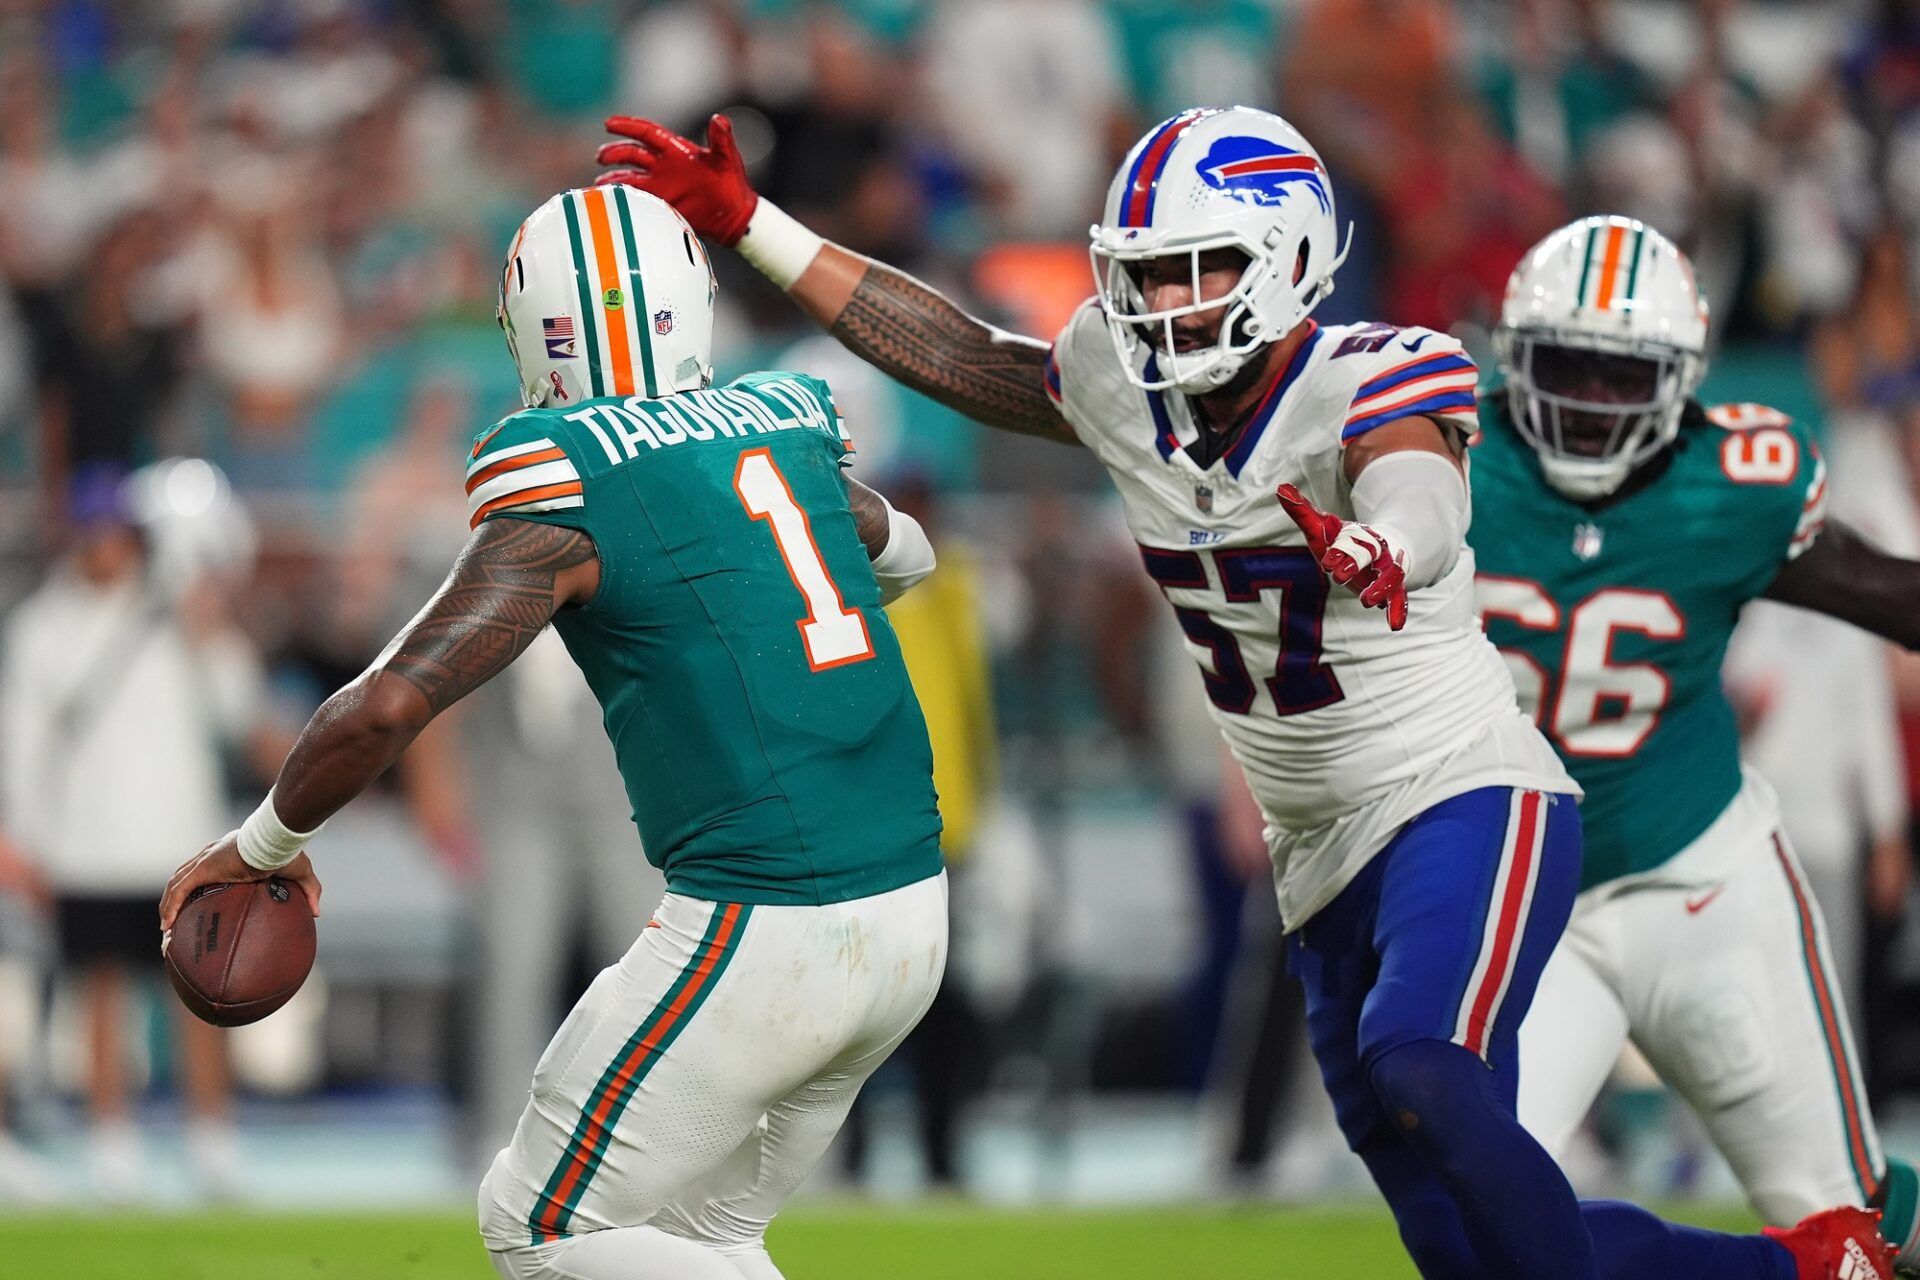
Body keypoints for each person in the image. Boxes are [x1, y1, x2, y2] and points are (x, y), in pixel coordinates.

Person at [595, 105, 1894, 1279]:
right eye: (1145, 270)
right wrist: (753, 227)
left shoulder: (1373, 371)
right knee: (1455, 1237)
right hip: (1318, 852)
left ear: (1286, 260)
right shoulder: (1120, 376)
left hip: (1465, 798)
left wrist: (1389, 546)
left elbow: (1418, 479)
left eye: (1196, 266)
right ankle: (1810, 1272)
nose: (1161, 298)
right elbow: (966, 357)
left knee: (1425, 1070)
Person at [161, 185, 947, 1280]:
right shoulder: (787, 423)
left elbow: (390, 699)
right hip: (911, 908)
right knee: (703, 1238)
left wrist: (258, 847)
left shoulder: (570, 473)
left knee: (537, 1223)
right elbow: (906, 554)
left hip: (774, 911)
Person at [1471, 214, 1920, 1270]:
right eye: (1563, 365)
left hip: (1706, 881)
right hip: (1534, 907)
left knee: (1844, 1216)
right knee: (1485, 1228)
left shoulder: (1738, 482)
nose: (1585, 403)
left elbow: (1884, 591)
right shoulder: (1440, 454)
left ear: (1682, 383)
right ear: (1511, 360)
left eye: (1618, 376)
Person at [2, 468, 252, 1202]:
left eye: (115, 530)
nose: (105, 544)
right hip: (87, 844)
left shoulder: (177, 612)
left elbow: (235, 710)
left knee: (198, 999)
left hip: (180, 841)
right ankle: (113, 1143)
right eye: (93, 530)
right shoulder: (40, 629)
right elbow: (22, 743)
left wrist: (213, 630)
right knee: (101, 998)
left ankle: (212, 1141)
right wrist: (25, 838)